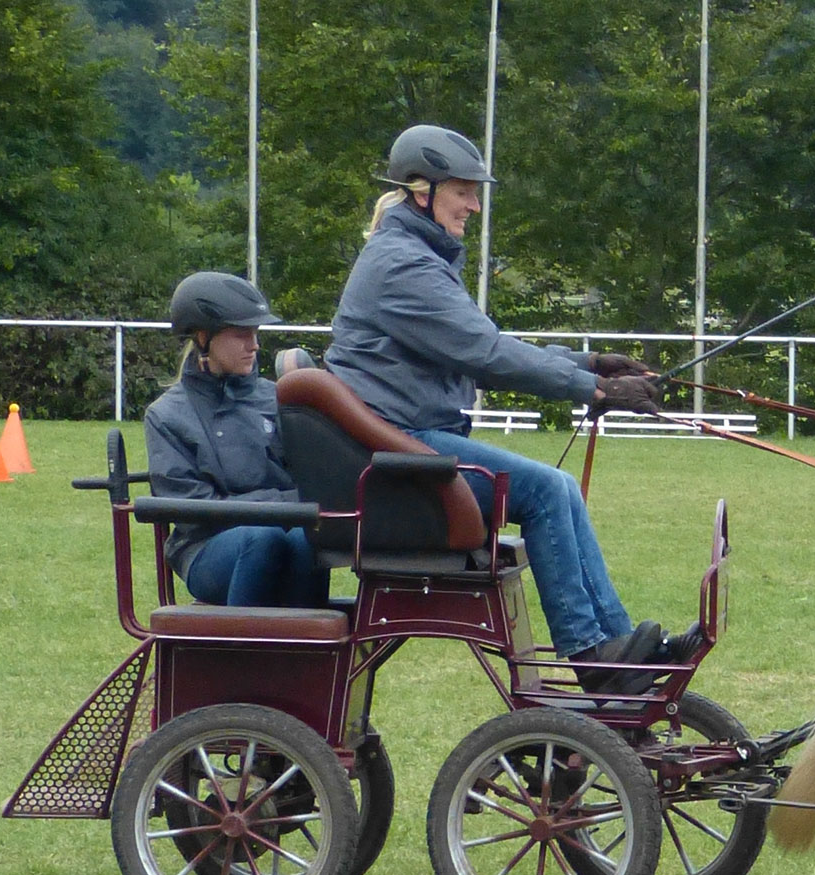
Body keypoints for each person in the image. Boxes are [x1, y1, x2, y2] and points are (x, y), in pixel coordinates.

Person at [323, 123, 681, 692]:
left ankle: (614, 648)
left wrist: (587, 365)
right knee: (545, 490)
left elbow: (483, 341)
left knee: (553, 488)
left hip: (404, 442)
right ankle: (594, 653)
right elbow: (486, 353)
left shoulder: (416, 254)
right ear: (423, 190)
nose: (474, 204)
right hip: (395, 453)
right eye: (464, 190)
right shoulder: (404, 266)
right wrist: (591, 392)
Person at [144, 271, 329, 609]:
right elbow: (193, 508)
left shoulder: (279, 399)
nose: (254, 345)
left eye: (256, 333)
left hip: (285, 530)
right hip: (205, 548)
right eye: (241, 334)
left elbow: (313, 478)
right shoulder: (167, 415)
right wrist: (283, 505)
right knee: (263, 539)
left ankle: (312, 656)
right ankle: (241, 654)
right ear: (204, 338)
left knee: (309, 540)